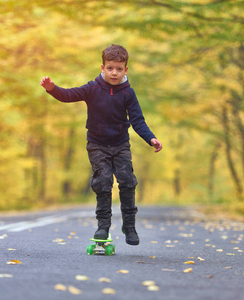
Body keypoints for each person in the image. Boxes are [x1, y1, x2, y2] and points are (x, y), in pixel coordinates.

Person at [40, 44, 162, 246]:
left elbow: (138, 121)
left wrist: (151, 138)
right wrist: (52, 89)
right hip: (97, 144)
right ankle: (103, 226)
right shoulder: (92, 88)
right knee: (103, 182)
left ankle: (129, 226)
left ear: (126, 70)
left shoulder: (128, 94)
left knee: (127, 181)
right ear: (102, 67)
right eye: (110, 68)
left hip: (120, 144)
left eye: (119, 69)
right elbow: (69, 95)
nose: (114, 73)